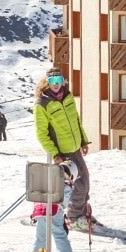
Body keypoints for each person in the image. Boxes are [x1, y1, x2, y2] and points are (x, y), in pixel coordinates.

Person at [34, 70, 92, 229]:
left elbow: (76, 120)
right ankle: (74, 218)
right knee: (78, 185)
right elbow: (41, 134)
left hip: (74, 148)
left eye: (58, 80)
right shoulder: (42, 104)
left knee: (84, 181)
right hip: (63, 153)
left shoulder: (67, 96)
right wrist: (55, 154)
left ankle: (80, 213)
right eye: (52, 80)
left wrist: (83, 140)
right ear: (47, 82)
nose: (56, 84)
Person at [30, 157, 80, 252]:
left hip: (40, 210)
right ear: (71, 176)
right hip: (54, 211)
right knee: (59, 234)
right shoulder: (66, 186)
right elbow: (62, 203)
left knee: (41, 236)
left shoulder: (47, 181)